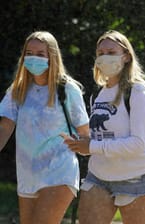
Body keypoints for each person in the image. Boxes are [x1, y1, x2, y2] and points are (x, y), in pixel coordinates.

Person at [64, 30, 145, 224]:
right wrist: (80, 144)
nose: (104, 57)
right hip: (98, 178)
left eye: (111, 52)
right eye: (100, 53)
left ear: (125, 56)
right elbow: (99, 136)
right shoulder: (97, 93)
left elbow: (138, 144)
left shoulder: (138, 91)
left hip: (136, 179)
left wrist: (91, 147)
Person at [0, 31, 90, 224]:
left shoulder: (67, 89)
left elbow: (85, 134)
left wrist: (81, 146)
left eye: (41, 54)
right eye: (29, 53)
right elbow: (5, 128)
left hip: (60, 170)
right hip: (27, 174)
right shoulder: (18, 89)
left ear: (52, 57)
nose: (34, 58)